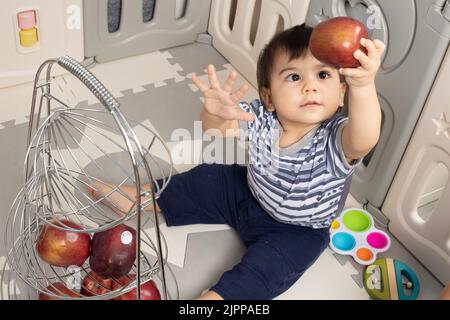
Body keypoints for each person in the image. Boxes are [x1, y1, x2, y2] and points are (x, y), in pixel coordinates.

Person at [89, 24, 385, 300]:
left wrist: (363, 85)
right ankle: (141, 197)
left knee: (265, 272)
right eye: (294, 77)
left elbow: (365, 138)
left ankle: (218, 298)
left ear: (341, 94)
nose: (310, 86)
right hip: (248, 194)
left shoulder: (337, 138)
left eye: (323, 76)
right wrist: (216, 113)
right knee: (206, 179)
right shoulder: (261, 117)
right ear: (268, 97)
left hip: (298, 231)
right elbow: (218, 128)